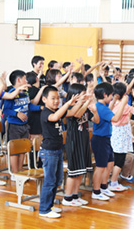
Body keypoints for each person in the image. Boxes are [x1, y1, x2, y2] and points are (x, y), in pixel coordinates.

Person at [38, 86, 80, 218]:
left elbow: (72, 112)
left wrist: (81, 102)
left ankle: (49, 206)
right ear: (44, 99)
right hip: (49, 151)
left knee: (57, 180)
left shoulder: (57, 110)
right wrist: (67, 103)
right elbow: (55, 117)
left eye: (58, 98)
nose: (56, 101)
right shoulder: (45, 113)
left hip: (57, 150)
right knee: (50, 181)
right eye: (53, 98)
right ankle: (44, 209)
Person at [62, 84, 99, 207]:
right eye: (82, 93)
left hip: (83, 140)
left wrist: (94, 110)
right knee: (73, 171)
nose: (84, 95)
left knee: (81, 170)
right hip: (74, 141)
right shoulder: (69, 107)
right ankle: (67, 197)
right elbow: (77, 115)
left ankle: (75, 195)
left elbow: (96, 120)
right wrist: (86, 101)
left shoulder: (85, 106)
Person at [90, 82, 128, 201]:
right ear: (105, 95)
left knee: (110, 163)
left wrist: (115, 101)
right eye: (111, 95)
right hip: (100, 139)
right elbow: (115, 118)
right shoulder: (100, 107)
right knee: (101, 166)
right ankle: (96, 191)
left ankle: (103, 186)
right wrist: (122, 103)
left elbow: (109, 111)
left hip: (105, 139)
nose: (112, 97)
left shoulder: (102, 106)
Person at [3, 70, 42, 176]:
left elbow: (29, 106)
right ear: (19, 80)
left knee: (23, 149)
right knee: (14, 150)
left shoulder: (25, 92)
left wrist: (40, 107)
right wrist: (17, 114)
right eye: (24, 78)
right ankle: (14, 173)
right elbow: (5, 110)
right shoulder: (11, 93)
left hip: (24, 125)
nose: (26, 81)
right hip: (14, 126)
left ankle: (20, 171)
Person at [109, 82, 134, 191]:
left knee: (116, 159)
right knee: (120, 160)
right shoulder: (126, 106)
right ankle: (113, 183)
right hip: (122, 136)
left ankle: (113, 181)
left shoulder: (113, 105)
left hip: (114, 135)